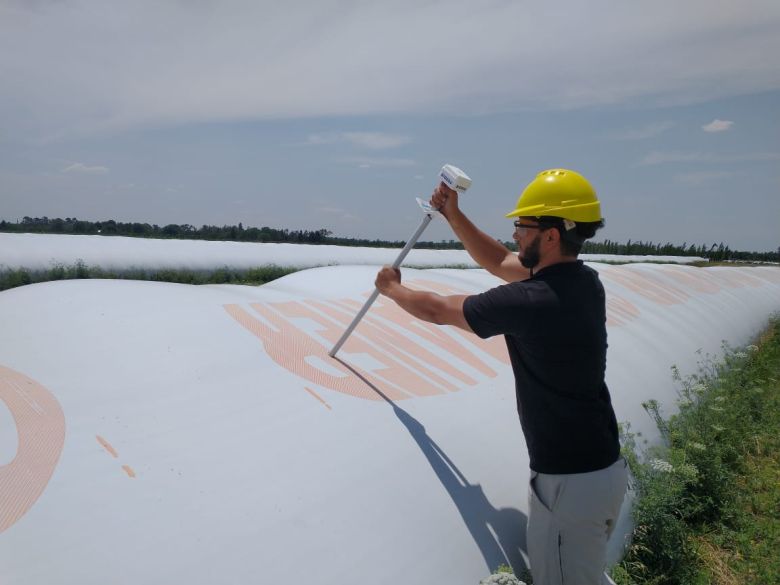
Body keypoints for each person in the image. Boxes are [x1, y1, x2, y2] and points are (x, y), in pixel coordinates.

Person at [375, 169, 627, 585]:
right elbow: (499, 262)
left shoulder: (531, 301)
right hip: (598, 469)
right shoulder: (583, 282)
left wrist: (392, 289)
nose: (515, 235)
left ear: (550, 236)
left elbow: (439, 310)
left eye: (522, 227)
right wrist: (453, 214)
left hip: (570, 484)